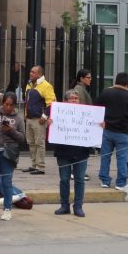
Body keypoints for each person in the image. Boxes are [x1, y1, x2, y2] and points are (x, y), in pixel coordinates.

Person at [50, 89, 92, 217]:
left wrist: (100, 125)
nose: (74, 100)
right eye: (71, 98)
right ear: (65, 101)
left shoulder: (86, 113)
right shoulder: (58, 113)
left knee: (79, 180)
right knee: (64, 179)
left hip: (81, 152)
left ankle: (78, 206)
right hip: (63, 152)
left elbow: (92, 129)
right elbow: (51, 131)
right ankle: (64, 205)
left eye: (76, 98)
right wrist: (50, 124)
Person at [0, 92, 25, 221]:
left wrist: (11, 131)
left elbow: (23, 138)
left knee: (6, 182)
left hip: (8, 153)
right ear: (2, 103)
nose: (8, 107)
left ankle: (7, 209)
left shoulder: (18, 118)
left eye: (11, 105)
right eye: (6, 104)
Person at [95, 72, 128, 191]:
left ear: (115, 81)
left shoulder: (106, 93)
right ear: (127, 83)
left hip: (107, 130)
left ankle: (105, 180)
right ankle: (121, 182)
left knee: (105, 156)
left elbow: (97, 108)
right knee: (123, 158)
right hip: (123, 132)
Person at [23, 65, 56, 175]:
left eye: (33, 72)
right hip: (29, 118)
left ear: (39, 74)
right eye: (31, 71)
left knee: (39, 143)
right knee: (31, 143)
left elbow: (51, 103)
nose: (30, 73)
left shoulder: (46, 86)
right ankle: (34, 165)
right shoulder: (29, 84)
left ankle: (40, 166)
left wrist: (45, 116)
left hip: (39, 119)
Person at [69, 68, 93, 181]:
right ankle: (77, 171)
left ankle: (78, 171)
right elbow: (82, 108)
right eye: (88, 77)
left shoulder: (82, 89)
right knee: (79, 149)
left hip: (81, 125)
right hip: (80, 126)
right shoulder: (79, 90)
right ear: (81, 78)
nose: (90, 80)